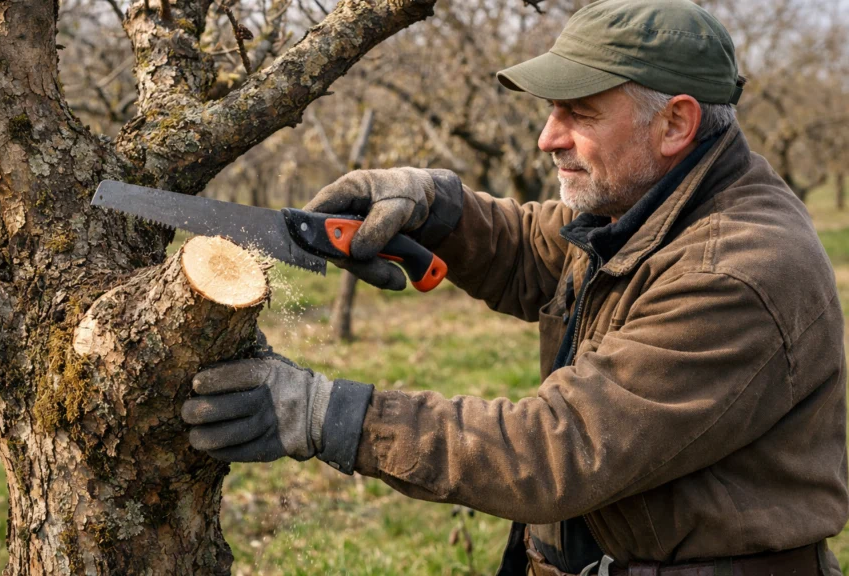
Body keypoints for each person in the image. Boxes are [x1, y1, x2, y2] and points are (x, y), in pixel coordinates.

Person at [180, 0, 848, 573]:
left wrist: (326, 414)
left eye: (579, 114)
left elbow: (559, 448)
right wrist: (435, 207)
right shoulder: (648, 208)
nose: (545, 138)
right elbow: (536, 249)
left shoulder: (737, 271)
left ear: (675, 123)